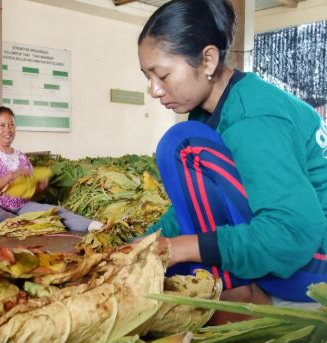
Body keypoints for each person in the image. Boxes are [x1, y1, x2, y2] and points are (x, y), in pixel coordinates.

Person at [136, 0, 327, 319]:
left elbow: (294, 233)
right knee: (162, 267)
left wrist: (180, 248)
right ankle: (234, 284)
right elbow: (193, 206)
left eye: (163, 75)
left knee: (179, 145)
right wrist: (141, 246)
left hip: (312, 263)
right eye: (148, 78)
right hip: (300, 252)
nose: (154, 90)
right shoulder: (212, 111)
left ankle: (243, 297)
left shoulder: (254, 116)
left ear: (208, 60)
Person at [0, 107, 103, 232]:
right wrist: (12, 175)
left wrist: (38, 186)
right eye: (2, 125)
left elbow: (29, 191)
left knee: (53, 212)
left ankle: (94, 225)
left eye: (11, 124)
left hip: (19, 206)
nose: (8, 129)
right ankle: (30, 223)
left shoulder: (21, 156)